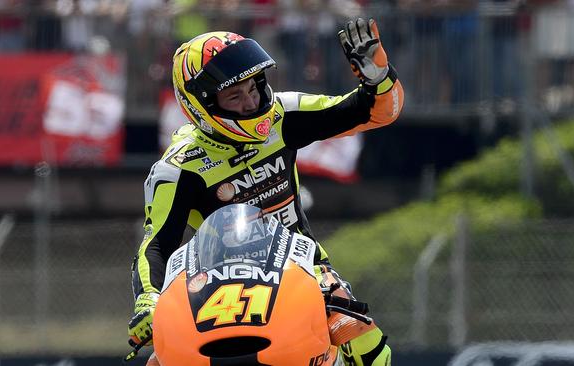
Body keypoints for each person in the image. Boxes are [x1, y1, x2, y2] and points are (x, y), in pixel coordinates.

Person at [128, 17, 404, 365]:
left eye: (254, 88)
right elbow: (155, 245)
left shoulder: (282, 115)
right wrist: (148, 301)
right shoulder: (177, 167)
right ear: (203, 105)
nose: (250, 102)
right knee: (161, 360)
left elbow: (377, 112)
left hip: (306, 272)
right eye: (234, 95)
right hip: (220, 288)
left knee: (369, 346)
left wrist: (376, 75)